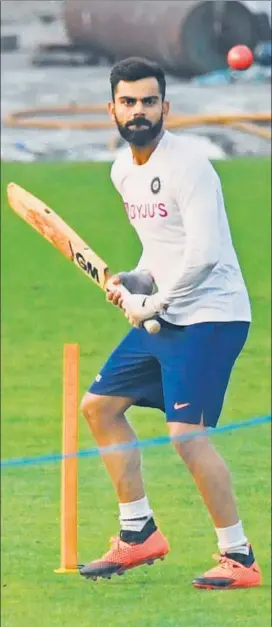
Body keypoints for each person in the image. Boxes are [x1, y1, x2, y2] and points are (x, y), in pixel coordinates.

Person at [79, 57, 261, 589]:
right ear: (111, 108)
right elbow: (162, 247)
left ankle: (240, 556)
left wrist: (153, 304)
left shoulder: (189, 166)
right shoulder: (122, 170)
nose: (139, 111)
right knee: (100, 408)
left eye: (149, 101)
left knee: (186, 436)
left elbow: (203, 255)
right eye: (129, 102)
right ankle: (138, 533)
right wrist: (137, 278)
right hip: (167, 308)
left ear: (166, 107)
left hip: (213, 315)